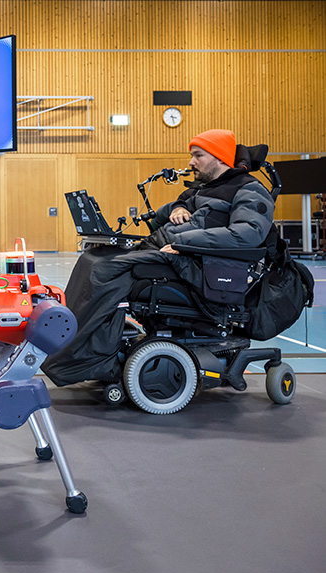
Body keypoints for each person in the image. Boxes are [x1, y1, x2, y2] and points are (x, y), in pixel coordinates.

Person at [42, 129, 275, 386]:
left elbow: (247, 235)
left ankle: (88, 359)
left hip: (196, 265)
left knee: (105, 269)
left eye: (198, 155)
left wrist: (182, 243)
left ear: (219, 158)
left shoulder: (249, 190)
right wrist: (178, 206)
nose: (191, 162)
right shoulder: (204, 188)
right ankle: (68, 346)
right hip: (166, 251)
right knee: (94, 256)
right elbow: (162, 218)